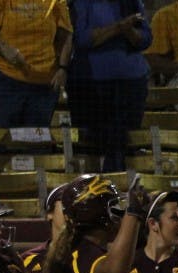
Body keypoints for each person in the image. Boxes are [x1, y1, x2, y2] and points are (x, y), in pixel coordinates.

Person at [66, 1, 151, 172]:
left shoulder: (133, 3)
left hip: (131, 81)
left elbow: (145, 39)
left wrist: (128, 30)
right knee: (93, 143)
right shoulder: (81, 3)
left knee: (123, 144)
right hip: (91, 82)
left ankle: (119, 188)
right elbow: (82, 39)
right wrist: (119, 27)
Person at [0, 0, 72, 128]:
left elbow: (66, 33)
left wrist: (62, 68)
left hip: (43, 85)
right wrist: (4, 49)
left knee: (36, 145)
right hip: (3, 79)